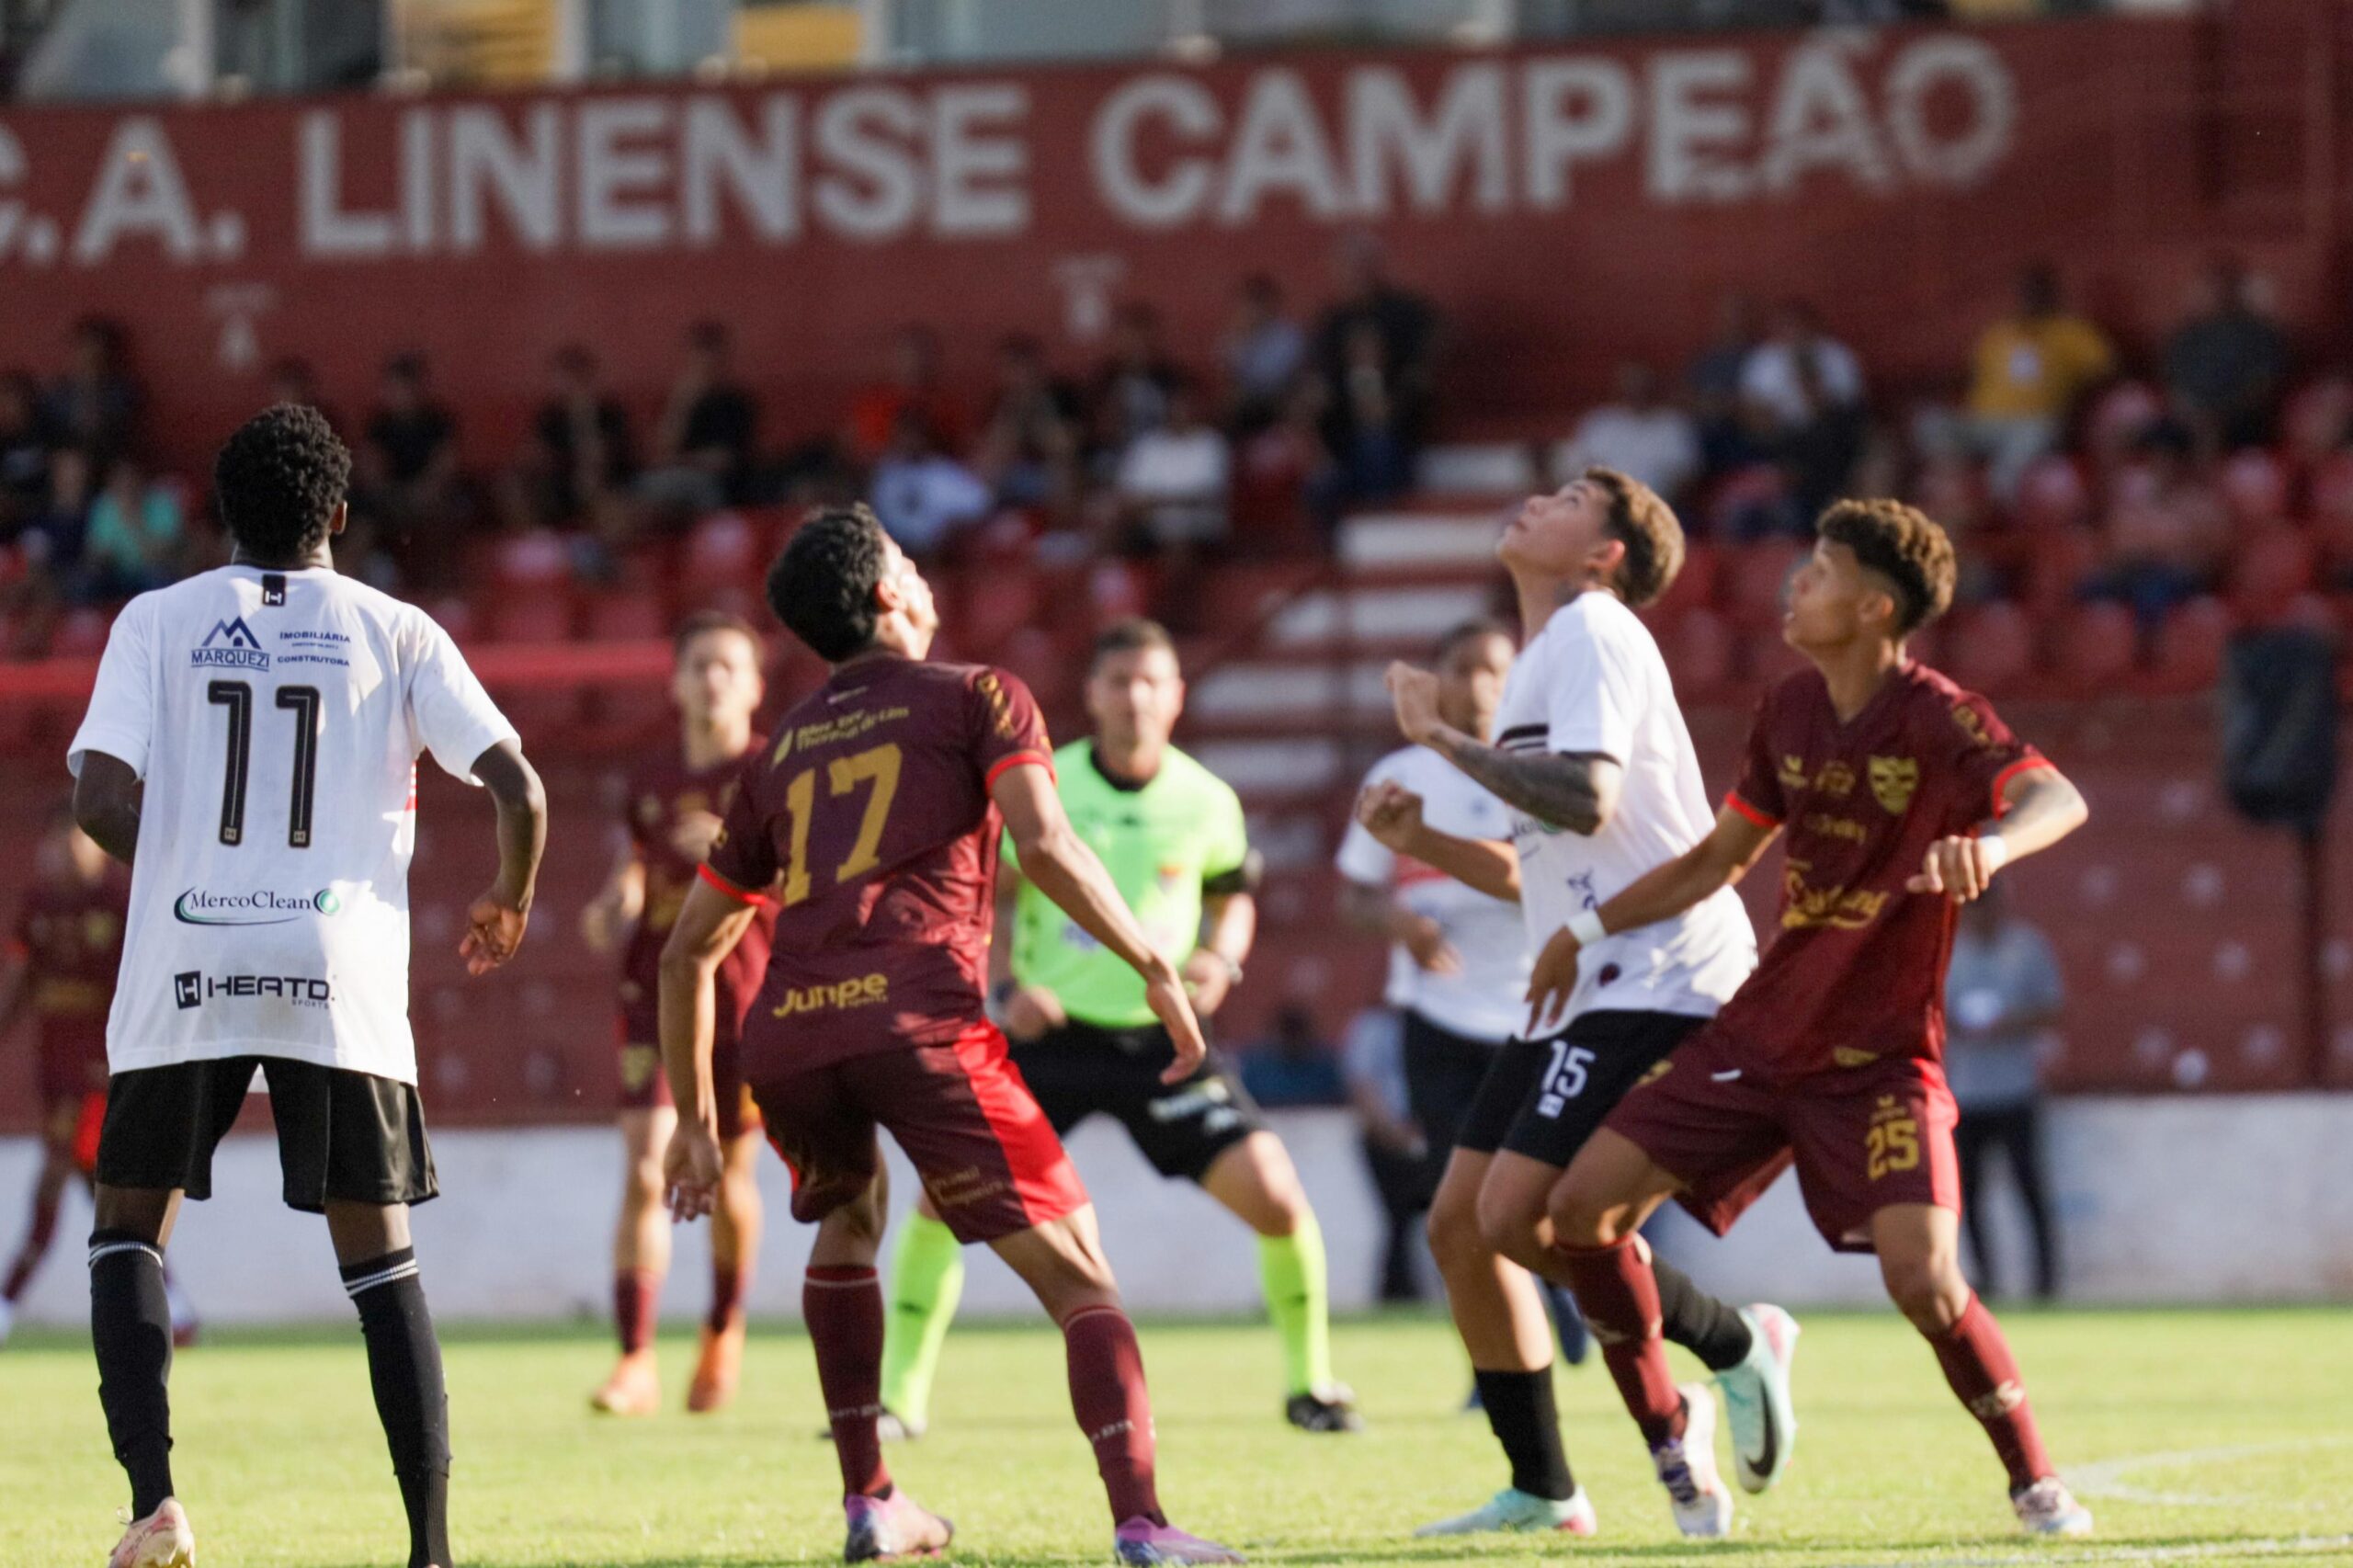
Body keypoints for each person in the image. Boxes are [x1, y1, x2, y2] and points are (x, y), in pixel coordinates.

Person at [657, 506, 1239, 1565]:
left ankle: (872, 1498)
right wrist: (1154, 963)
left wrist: (696, 1124)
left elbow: (684, 953)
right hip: (917, 1019)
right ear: (889, 594)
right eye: (912, 566)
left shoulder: (779, 751)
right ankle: (1144, 1522)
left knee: (848, 1222)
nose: (926, 579)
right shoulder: (981, 693)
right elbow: (1045, 844)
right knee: (1082, 1275)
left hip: (791, 1033)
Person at [1526, 498, 2095, 1539]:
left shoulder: (1938, 715)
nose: (1797, 582)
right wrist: (1588, 926)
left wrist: (1993, 845)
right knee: (1576, 1212)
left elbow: (2057, 797)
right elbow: (1714, 861)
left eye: (1822, 572)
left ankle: (2035, 1479)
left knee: (1925, 1279)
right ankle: (1677, 1442)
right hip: (1758, 1037)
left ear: (1875, 608)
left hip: (1877, 1057)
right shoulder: (1787, 708)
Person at [67, 403, 547, 1568]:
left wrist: (191, 871)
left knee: (129, 1226)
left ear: (221, 513)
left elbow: (97, 799)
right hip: (336, 963)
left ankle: (155, 1503)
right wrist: (510, 894)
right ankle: (430, 1547)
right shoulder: (397, 629)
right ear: (338, 511)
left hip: (187, 951)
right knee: (379, 1255)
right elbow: (520, 787)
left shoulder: (155, 620)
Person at [1356, 472, 1794, 1540]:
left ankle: (1733, 1343)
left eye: (1566, 499)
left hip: (1658, 969)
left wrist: (1440, 737)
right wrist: (1426, 840)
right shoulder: (1545, 656)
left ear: (1604, 555)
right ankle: (1545, 1487)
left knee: (1519, 1216)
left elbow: (1586, 797)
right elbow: (1543, 863)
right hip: (1583, 982)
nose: (1535, 501)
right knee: (1461, 1227)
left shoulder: (1595, 628)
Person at [877, 617, 1360, 1439]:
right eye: (1120, 681)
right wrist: (1008, 987)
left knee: (1278, 1199)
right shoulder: (1045, 783)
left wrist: (1221, 960)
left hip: (1158, 1042)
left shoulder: (1207, 800)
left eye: (1151, 682)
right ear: (1093, 695)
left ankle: (1310, 1385)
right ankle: (899, 1399)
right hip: (1048, 1038)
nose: (1135, 697)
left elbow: (1231, 897)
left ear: (1176, 696)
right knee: (943, 1200)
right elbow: (989, 897)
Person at [1336, 618, 1593, 1383]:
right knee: (1461, 1211)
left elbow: (1557, 884)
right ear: (1438, 680)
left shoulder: (1542, 774)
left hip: (1541, 1015)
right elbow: (1354, 895)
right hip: (1438, 1019)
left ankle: (1566, 1286)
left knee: (1539, 1193)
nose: (1479, 685)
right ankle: (1498, 1372)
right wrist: (1398, 922)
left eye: (1494, 669)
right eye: (1462, 668)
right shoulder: (1399, 775)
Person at [580, 613, 774, 1416]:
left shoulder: (773, 773)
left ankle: (723, 1328)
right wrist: (617, 898)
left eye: (729, 666)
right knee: (645, 1167)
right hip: (653, 989)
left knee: (728, 1177)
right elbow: (635, 861)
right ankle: (635, 1358)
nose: (712, 679)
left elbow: (812, 876)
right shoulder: (651, 776)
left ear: (755, 686)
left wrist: (731, 847)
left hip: (744, 996)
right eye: (699, 665)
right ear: (677, 682)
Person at [0, 806, 197, 1350]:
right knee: (104, 1190)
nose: (63, 852)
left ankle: (7, 1300)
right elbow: (20, 983)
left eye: (74, 841)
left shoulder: (119, 902)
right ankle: (176, 1307)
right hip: (54, 1069)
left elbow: (144, 986)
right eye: (56, 842)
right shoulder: (39, 906)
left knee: (55, 1175)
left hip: (100, 1074)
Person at [1945, 885, 2063, 1301]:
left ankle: (2045, 1283)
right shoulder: (1949, 952)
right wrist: (1955, 1025)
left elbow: (2052, 1008)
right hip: (1966, 1093)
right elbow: (1931, 1011)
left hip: (2016, 1089)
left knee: (2030, 1189)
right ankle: (1985, 1280)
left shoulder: (2027, 947)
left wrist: (2009, 1023)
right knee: (1969, 1194)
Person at [1963, 264, 2115, 500]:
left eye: (2038, 292)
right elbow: (1973, 376)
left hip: (2037, 424)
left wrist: (2074, 407)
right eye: (2026, 293)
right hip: (1984, 424)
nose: (2031, 299)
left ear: (2052, 295)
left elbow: (2106, 376)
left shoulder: (2073, 333)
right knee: (1929, 425)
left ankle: (1998, 506)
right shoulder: (1999, 334)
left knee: (2020, 448)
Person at [1336, 1006, 1426, 1305]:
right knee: (1398, 1219)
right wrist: (1394, 1132)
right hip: (1384, 1141)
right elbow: (1362, 1085)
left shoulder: (1434, 1026)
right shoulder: (1373, 1028)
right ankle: (1397, 1292)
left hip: (1425, 1136)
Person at [637, 321, 759, 523]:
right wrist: (681, 405)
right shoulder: (678, 401)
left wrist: (680, 460)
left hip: (717, 483)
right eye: (698, 354)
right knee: (642, 488)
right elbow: (659, 453)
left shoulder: (736, 402)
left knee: (691, 486)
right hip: (670, 479)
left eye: (710, 354)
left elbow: (723, 460)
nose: (704, 362)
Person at [1552, 363, 1701, 506]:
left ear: (1653, 388)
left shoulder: (1674, 425)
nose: (1636, 393)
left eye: (1641, 387)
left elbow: (1686, 476)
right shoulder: (1599, 423)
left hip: (1656, 506)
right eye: (1630, 387)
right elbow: (1576, 465)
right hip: (1600, 506)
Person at [1238, 1006, 1345, 1108]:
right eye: (1288, 1032)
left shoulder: (1324, 1068)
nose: (1293, 1040)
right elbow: (1244, 1103)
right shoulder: (1257, 1069)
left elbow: (1337, 1102)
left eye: (1297, 1033)